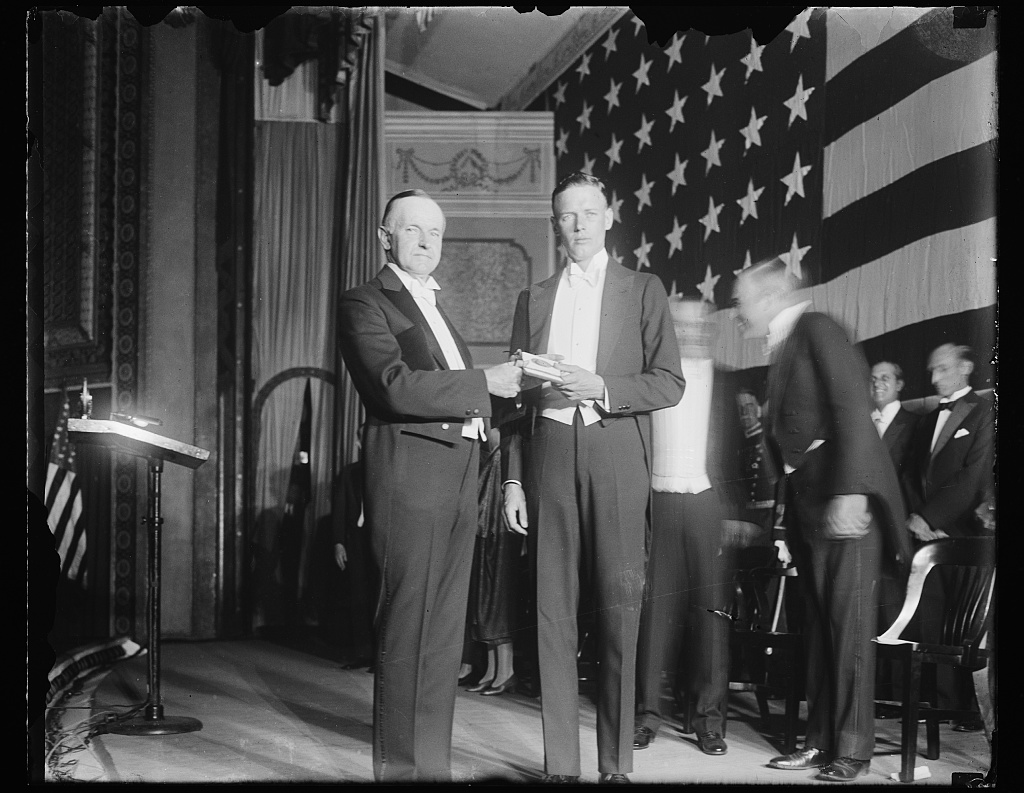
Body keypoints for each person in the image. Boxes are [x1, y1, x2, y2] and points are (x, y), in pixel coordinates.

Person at [502, 171, 685, 784]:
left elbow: (668, 381)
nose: (577, 224)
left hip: (614, 453)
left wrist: (601, 387)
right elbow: (514, 400)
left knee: (617, 609)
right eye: (565, 215)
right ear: (555, 226)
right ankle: (561, 768)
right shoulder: (534, 296)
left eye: (588, 212)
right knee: (551, 611)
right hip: (549, 452)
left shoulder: (643, 289)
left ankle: (615, 765)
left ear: (610, 216)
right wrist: (513, 481)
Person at [337, 188, 522, 782]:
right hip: (410, 476)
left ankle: (431, 771)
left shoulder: (439, 311)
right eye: (412, 230)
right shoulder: (365, 302)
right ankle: (398, 773)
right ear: (384, 236)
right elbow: (392, 385)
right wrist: (484, 381)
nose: (425, 241)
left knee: (444, 637)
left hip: (460, 475)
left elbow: (471, 393)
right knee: (406, 629)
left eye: (435, 233)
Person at [732, 256, 909, 782]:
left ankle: (852, 749)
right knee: (817, 630)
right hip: (812, 509)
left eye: (742, 299)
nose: (738, 312)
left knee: (847, 628)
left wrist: (852, 493)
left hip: (842, 503)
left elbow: (853, 407)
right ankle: (819, 742)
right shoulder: (786, 346)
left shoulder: (816, 328)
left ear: (771, 295)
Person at [632, 296, 749, 758]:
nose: (690, 333)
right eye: (679, 327)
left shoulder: (728, 382)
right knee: (654, 618)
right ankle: (646, 716)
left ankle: (708, 721)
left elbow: (738, 454)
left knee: (710, 619)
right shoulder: (650, 378)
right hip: (657, 506)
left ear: (711, 330)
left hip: (706, 506)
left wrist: (735, 512)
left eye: (698, 325)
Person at [900, 343, 995, 731]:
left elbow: (973, 477)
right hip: (926, 536)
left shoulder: (986, 412)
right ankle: (941, 707)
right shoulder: (926, 420)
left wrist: (930, 517)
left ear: (967, 367)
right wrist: (915, 519)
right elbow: (909, 474)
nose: (935, 378)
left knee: (968, 623)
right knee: (933, 619)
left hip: (963, 534)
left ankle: (971, 711)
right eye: (932, 371)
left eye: (942, 369)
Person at [870, 361, 919, 490]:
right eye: (873, 379)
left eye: (884, 378)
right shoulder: (859, 424)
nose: (876, 384)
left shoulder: (916, 424)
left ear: (899, 385)